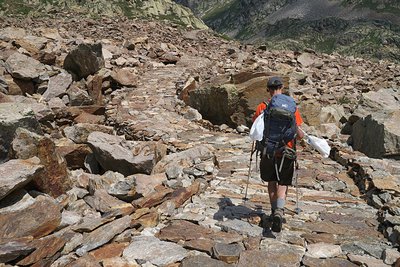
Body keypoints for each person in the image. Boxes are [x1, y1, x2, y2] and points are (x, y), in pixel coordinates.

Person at [252, 76, 304, 232]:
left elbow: (256, 130)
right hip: (287, 151)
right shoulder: (291, 106)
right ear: (282, 88)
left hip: (268, 150)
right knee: (283, 182)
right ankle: (279, 212)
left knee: (272, 181)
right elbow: (299, 133)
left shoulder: (262, 106)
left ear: (268, 90)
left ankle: (273, 211)